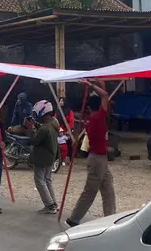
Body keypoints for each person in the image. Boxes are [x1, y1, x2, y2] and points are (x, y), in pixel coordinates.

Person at [66, 81, 116, 227]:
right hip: (97, 159)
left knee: (108, 189)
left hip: (99, 158)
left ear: (88, 107)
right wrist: (90, 84)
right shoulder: (98, 118)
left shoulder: (90, 119)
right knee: (90, 191)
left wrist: (95, 84)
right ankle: (74, 218)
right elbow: (105, 95)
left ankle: (110, 217)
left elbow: (104, 95)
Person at [27, 100, 60, 214]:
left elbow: (34, 141)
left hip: (42, 157)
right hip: (51, 155)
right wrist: (36, 124)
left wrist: (30, 129)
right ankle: (53, 203)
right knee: (47, 179)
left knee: (39, 180)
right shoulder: (54, 122)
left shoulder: (44, 128)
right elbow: (43, 128)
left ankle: (49, 205)